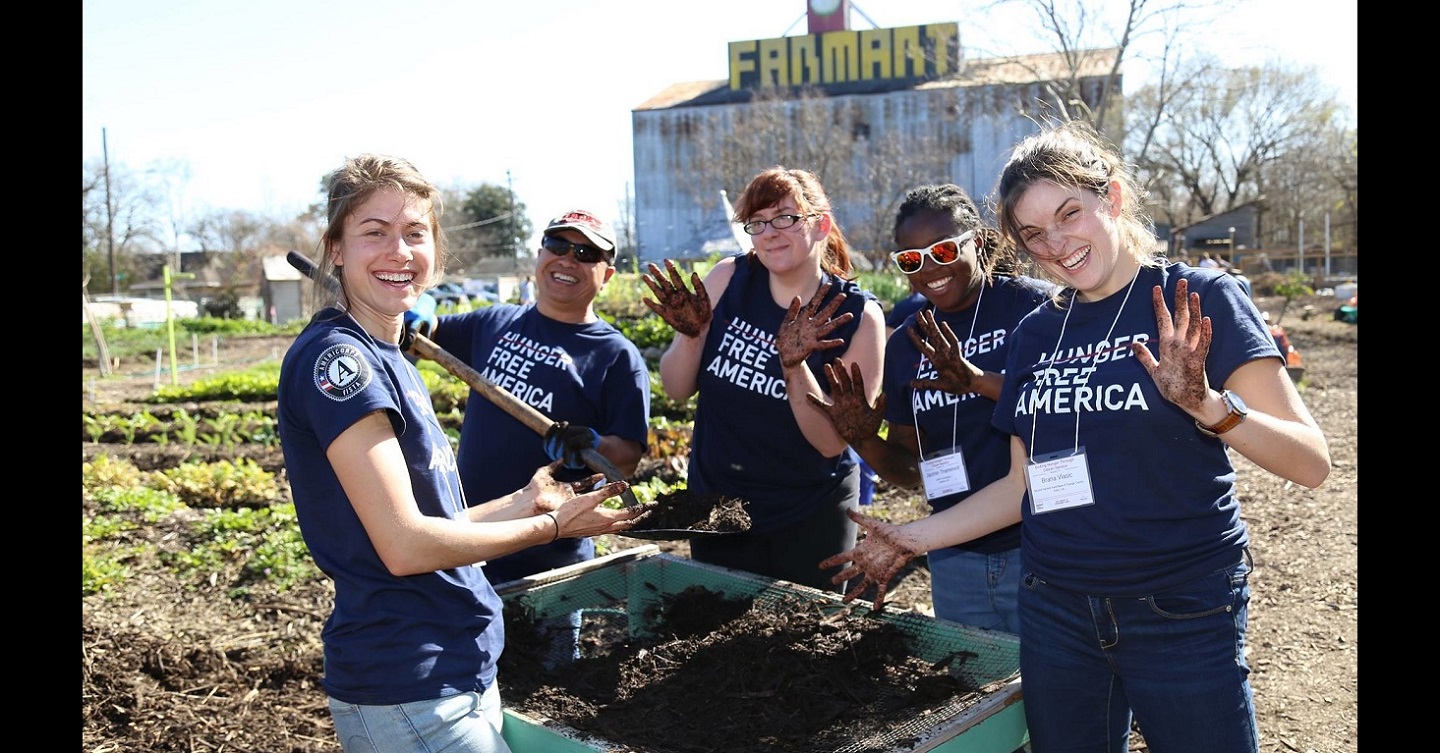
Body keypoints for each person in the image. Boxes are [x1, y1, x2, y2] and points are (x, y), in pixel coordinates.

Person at [821, 122, 1330, 753]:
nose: (1057, 244)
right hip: (1056, 608)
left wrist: (1208, 405)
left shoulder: (1197, 298)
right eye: (1034, 234)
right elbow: (1021, 484)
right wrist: (909, 538)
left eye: (1070, 213)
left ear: (1112, 198)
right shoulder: (1037, 332)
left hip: (1178, 605)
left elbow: (1312, 463)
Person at [277, 154, 642, 753]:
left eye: (414, 233)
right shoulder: (341, 363)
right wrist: (550, 527)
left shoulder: (388, 356)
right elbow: (405, 546)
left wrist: (527, 501)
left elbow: (433, 527)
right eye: (374, 232)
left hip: (454, 670)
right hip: (409, 684)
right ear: (335, 249)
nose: (399, 251)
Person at [807, 183, 1055, 634]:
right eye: (911, 259)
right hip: (954, 554)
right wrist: (860, 436)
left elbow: (1071, 413)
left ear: (977, 242)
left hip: (1042, 547)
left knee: (1056, 687)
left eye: (943, 250)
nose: (929, 269)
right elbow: (909, 470)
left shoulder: (1035, 309)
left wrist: (977, 382)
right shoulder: (905, 343)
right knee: (979, 688)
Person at [641, 166, 886, 593]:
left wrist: (794, 366)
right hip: (721, 506)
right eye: (758, 222)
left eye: (786, 218)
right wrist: (692, 335)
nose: (770, 232)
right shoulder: (730, 279)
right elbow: (678, 390)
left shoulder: (858, 317)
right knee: (719, 635)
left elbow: (831, 443)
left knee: (803, 640)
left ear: (820, 225)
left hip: (810, 510)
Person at [408, 208, 650, 588]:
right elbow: (426, 334)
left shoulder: (616, 356)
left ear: (607, 275)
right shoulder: (493, 323)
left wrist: (592, 444)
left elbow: (629, 457)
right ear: (540, 255)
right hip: (472, 537)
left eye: (586, 255)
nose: (568, 259)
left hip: (550, 553)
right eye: (558, 245)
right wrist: (417, 308)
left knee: (545, 645)